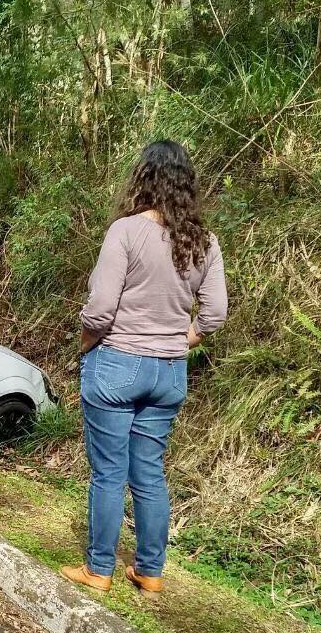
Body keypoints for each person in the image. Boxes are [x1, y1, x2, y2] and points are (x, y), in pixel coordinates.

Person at [61, 141, 228, 598]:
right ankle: (150, 572)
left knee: (109, 472)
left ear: (145, 178)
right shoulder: (204, 241)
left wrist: (86, 345)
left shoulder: (126, 231)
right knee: (149, 472)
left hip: (117, 364)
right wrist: (180, 340)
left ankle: (99, 570)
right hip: (169, 372)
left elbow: (98, 310)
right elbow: (214, 315)